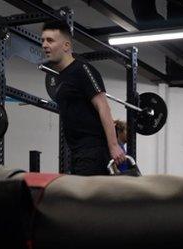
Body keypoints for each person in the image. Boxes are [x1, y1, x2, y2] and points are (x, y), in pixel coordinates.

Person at [41, 21, 126, 176]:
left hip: (93, 151)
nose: (45, 45)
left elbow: (103, 107)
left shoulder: (82, 69)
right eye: (43, 40)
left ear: (66, 46)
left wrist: (114, 146)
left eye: (50, 40)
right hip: (78, 152)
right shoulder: (61, 77)